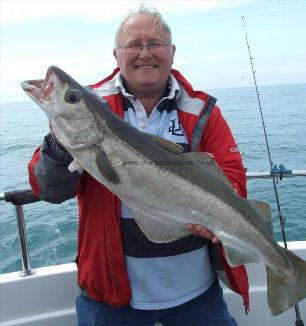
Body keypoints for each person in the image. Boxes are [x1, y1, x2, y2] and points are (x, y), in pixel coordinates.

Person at [28, 7, 249, 326]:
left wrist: (215, 217)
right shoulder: (93, 106)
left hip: (197, 297)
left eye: (155, 43)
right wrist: (60, 145)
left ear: (172, 53)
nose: (145, 53)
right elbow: (46, 188)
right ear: (116, 55)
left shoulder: (202, 112)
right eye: (134, 45)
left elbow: (233, 180)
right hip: (110, 299)